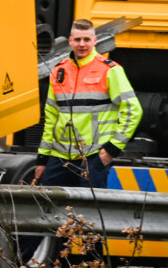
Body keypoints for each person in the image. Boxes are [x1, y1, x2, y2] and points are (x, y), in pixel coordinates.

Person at [33, 19, 143, 189]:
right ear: (70, 41)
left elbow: (133, 110)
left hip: (93, 157)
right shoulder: (58, 71)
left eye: (86, 39)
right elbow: (51, 118)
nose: (82, 44)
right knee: (52, 212)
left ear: (95, 41)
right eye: (77, 40)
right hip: (59, 158)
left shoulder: (110, 70)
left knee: (88, 213)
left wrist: (112, 149)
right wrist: (43, 158)